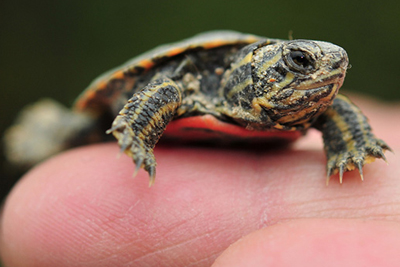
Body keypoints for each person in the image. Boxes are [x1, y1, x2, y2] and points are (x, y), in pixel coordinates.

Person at [1, 96, 399, 267]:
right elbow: (164, 89)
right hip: (148, 106)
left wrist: (353, 144)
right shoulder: (197, 81)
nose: (329, 71)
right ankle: (48, 128)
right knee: (86, 129)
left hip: (262, 142)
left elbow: (333, 108)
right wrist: (139, 131)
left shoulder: (308, 103)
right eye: (298, 62)